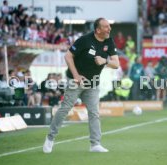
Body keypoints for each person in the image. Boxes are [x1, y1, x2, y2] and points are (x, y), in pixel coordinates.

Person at [43, 18, 119, 153]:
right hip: (75, 80)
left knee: (94, 113)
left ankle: (95, 144)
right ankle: (50, 138)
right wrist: (76, 76)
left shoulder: (109, 41)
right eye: (106, 27)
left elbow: (116, 64)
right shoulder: (84, 40)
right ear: (98, 30)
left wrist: (104, 60)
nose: (109, 29)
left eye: (109, 26)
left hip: (93, 82)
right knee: (65, 108)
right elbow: (68, 56)